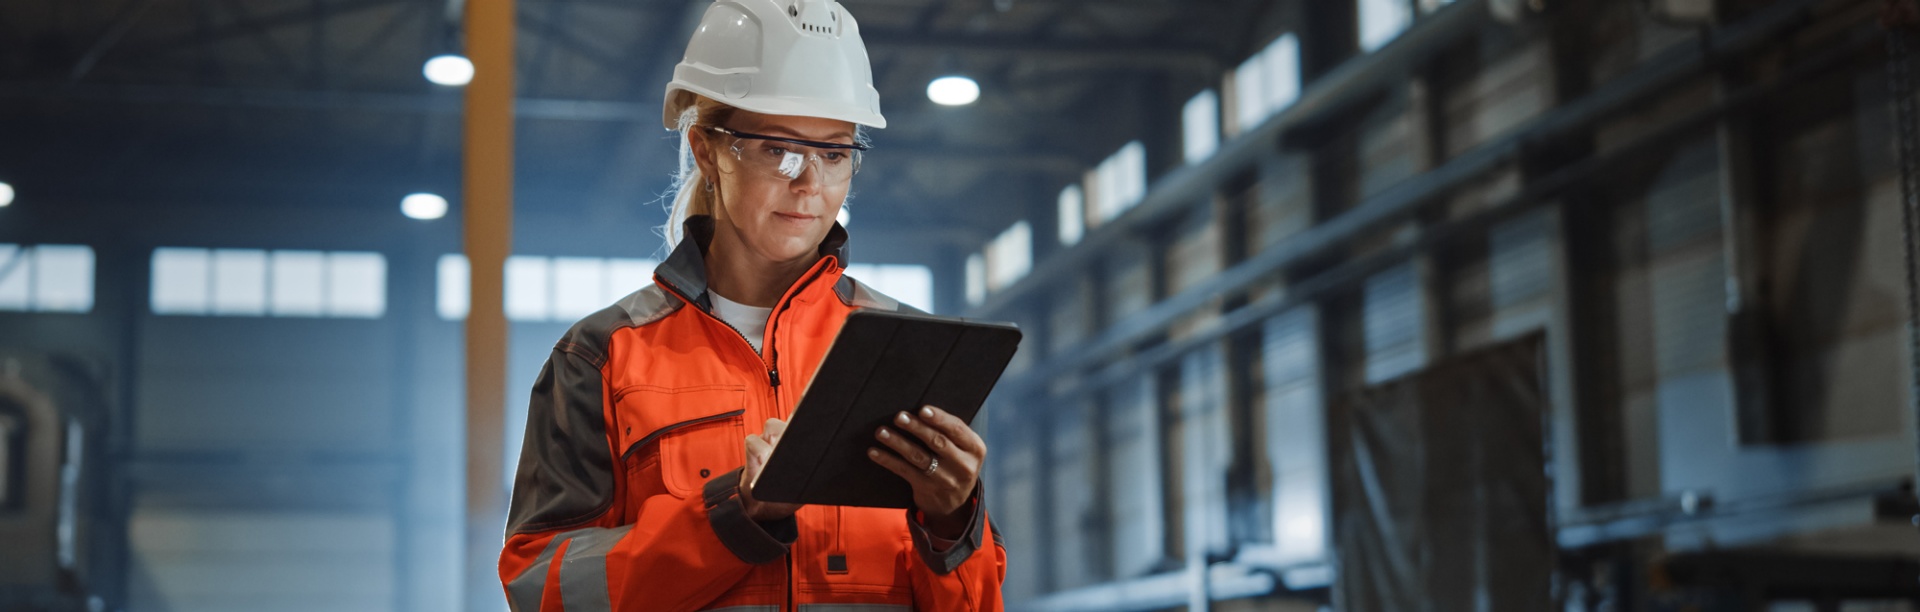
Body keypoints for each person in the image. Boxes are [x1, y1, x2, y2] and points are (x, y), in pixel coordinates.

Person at [497, 0, 1007, 609]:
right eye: (778, 150)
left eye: (835, 153)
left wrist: (951, 523)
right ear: (708, 150)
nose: (810, 185)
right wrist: (733, 516)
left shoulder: (911, 354)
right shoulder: (603, 358)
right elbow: (544, 591)